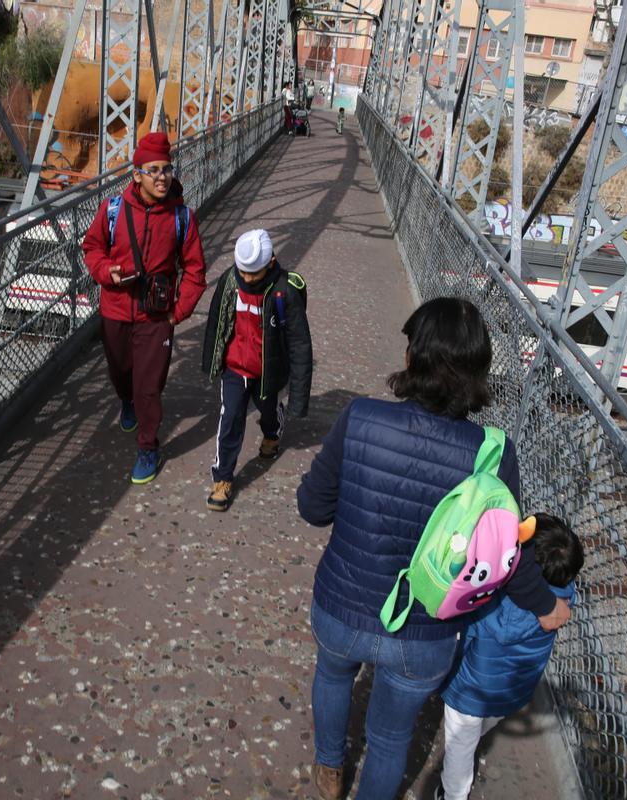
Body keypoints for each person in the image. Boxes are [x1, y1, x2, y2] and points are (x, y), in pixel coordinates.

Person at [297, 297, 572, 800]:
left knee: (333, 678)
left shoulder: (359, 418)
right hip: (424, 635)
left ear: (412, 358)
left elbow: (313, 508)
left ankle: (330, 769)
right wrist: (547, 606)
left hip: (342, 605)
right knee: (390, 738)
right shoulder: (493, 452)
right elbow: (503, 556)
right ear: (480, 375)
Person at [81, 131, 207, 484]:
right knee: (121, 371)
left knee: (149, 385)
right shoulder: (112, 209)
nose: (162, 177)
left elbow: (196, 270)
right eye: (153, 170)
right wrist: (107, 271)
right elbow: (91, 248)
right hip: (116, 310)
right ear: (136, 174)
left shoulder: (182, 217)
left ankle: (148, 447)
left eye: (167, 169)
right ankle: (127, 401)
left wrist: (178, 311)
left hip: (156, 315)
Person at [437, 513, 584, 800]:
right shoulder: (563, 601)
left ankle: (452, 794)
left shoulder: (494, 600)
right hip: (513, 691)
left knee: (460, 745)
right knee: (484, 723)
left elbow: (465, 629)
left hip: (471, 690)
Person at [201, 229, 312, 512]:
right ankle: (223, 478)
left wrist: (299, 400)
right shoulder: (229, 282)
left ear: (271, 263)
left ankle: (273, 429)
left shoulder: (284, 291)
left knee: (267, 409)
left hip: (267, 372)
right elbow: (216, 323)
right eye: (243, 272)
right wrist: (212, 363)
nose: (247, 280)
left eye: (254, 274)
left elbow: (300, 345)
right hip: (235, 369)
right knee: (230, 419)